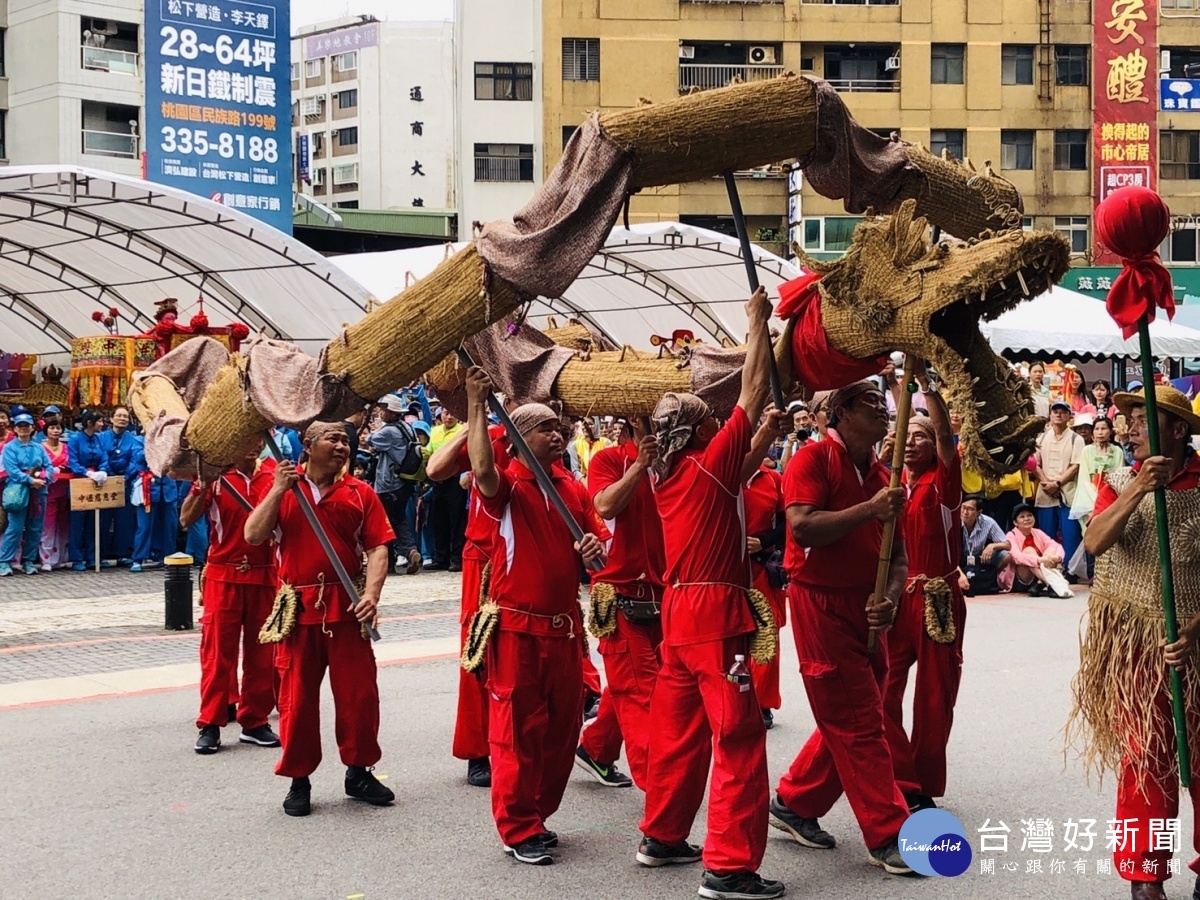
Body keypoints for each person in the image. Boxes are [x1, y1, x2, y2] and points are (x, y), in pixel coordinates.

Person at [638, 287, 785, 900]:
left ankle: (663, 835)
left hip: (679, 614)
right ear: (701, 430)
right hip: (714, 613)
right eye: (709, 417)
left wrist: (760, 437)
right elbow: (749, 392)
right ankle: (728, 866)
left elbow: (735, 469)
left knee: (677, 731)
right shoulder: (705, 463)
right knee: (739, 735)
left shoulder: (673, 474)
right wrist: (757, 324)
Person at [767, 380, 913, 877]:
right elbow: (803, 526)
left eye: (884, 403)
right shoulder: (812, 459)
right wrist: (870, 510)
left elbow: (898, 556)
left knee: (854, 710)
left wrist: (889, 597)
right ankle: (888, 833)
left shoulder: (888, 474)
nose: (884, 412)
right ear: (840, 413)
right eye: (872, 404)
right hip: (820, 603)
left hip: (865, 605)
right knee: (859, 720)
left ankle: (795, 801)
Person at [463, 378, 608, 866]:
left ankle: (538, 815)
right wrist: (476, 403)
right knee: (515, 733)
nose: (559, 434)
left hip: (565, 631)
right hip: (516, 631)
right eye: (546, 428)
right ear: (520, 436)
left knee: (563, 731)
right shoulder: (506, 486)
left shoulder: (574, 487)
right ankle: (517, 826)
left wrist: (594, 550)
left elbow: (602, 549)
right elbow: (481, 467)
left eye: (560, 428)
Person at [1070, 384, 1200, 900]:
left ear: (1177, 430)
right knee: (1147, 757)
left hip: (1194, 641)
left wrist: (1194, 629)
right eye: (1130, 421)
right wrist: (1138, 490)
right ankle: (1145, 876)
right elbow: (1095, 541)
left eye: (1145, 421)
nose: (1132, 429)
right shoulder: (1119, 478)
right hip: (1137, 644)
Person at [244, 421, 395, 817]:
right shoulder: (284, 490)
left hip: (348, 608)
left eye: (346, 440)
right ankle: (299, 779)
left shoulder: (360, 493)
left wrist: (371, 595)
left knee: (360, 697)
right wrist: (277, 488)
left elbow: (378, 547)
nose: (343, 447)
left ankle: (359, 772)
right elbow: (254, 535)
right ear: (308, 447)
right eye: (334, 439)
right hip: (297, 612)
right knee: (297, 701)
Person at [882, 363, 964, 812]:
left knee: (934, 699)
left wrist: (927, 391)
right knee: (883, 688)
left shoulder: (944, 483)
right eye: (904, 435)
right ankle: (899, 775)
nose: (910, 442)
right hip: (898, 598)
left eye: (921, 436)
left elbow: (947, 438)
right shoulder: (893, 482)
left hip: (938, 599)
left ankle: (923, 786)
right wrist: (898, 387)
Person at [574, 419, 663, 790]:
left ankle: (596, 748)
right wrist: (641, 464)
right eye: (652, 423)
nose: (662, 431)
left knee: (632, 685)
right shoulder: (608, 460)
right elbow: (606, 505)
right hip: (619, 594)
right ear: (631, 428)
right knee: (643, 694)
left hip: (664, 595)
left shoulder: (673, 462)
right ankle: (660, 799)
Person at [179, 439, 279, 755]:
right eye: (243, 438)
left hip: (265, 573)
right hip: (223, 574)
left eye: (257, 437)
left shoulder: (277, 473)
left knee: (263, 653)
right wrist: (204, 483)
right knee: (217, 652)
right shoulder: (216, 474)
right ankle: (210, 722)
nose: (251, 445)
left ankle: (255, 720)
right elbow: (185, 519)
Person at [744, 438, 788, 731]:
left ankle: (761, 702)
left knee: (766, 634)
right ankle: (735, 697)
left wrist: (763, 541)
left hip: (761, 565)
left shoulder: (773, 480)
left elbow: (788, 523)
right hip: (723, 569)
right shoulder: (722, 477)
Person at [369, 395, 424, 576]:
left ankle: (390, 561)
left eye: (384, 410)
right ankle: (410, 551)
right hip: (405, 481)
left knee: (384, 522)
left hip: (389, 483)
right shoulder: (408, 427)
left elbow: (371, 440)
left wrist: (375, 430)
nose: (381, 413)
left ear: (392, 412)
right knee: (398, 519)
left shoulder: (389, 431)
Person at [0, 413, 54, 576]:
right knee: (15, 528)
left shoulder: (39, 447)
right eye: (20, 426)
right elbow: (12, 471)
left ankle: (29, 560)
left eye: (27, 426)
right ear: (15, 428)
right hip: (18, 492)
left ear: (32, 428)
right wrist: (31, 480)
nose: (23, 429)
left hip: (39, 492)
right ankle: (4, 561)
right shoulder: (9, 448)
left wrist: (46, 477)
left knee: (35, 527)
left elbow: (49, 465)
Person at [1034, 400, 1085, 574]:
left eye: (1063, 412)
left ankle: (1070, 570)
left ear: (1069, 416)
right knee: (1046, 534)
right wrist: (1046, 483)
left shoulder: (1076, 439)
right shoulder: (1041, 437)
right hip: (1045, 491)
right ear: (1050, 414)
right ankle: (1047, 569)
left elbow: (1076, 465)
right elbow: (1034, 463)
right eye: (1055, 411)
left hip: (1067, 492)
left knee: (1070, 534)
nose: (1058, 414)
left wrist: (1057, 483)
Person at [127, 436, 180, 571]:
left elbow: (175, 457)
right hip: (148, 487)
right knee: (144, 526)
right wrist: (153, 444)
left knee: (170, 526)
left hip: (168, 487)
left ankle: (168, 557)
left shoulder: (169, 438)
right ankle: (138, 559)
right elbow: (138, 458)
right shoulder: (139, 440)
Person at [997, 503, 1071, 597]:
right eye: (1022, 517)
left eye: (1029, 515)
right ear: (1015, 522)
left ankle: (1041, 583)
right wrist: (1041, 560)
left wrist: (1058, 557)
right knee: (1029, 551)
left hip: (1036, 576)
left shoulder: (1038, 532)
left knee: (1051, 549)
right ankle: (1050, 584)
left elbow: (1056, 546)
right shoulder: (1011, 536)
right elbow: (1017, 557)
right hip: (1019, 579)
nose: (1026, 519)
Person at [66, 411, 109, 570]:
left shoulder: (99, 438)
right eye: (100, 421)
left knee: (95, 521)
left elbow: (104, 458)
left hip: (97, 484)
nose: (102, 424)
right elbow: (73, 462)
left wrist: (103, 470)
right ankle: (77, 558)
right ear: (90, 422)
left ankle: (93, 556)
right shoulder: (75, 439)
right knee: (77, 523)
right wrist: (88, 473)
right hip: (80, 482)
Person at [97, 406, 137, 566]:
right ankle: (103, 554)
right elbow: (101, 457)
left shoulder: (132, 439)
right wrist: (108, 474)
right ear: (111, 419)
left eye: (125, 417)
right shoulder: (101, 437)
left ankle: (123, 554)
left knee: (124, 520)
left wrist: (126, 476)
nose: (122, 419)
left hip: (124, 483)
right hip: (106, 482)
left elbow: (135, 460)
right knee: (103, 520)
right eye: (119, 416)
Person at [427, 409, 466, 572]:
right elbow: (429, 453)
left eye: (452, 413)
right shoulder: (434, 432)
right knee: (439, 519)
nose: (449, 417)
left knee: (456, 521)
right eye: (445, 413)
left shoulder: (462, 431)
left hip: (455, 480)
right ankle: (440, 558)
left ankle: (456, 558)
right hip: (437, 482)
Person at [957, 496, 1010, 597]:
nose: (965, 512)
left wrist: (992, 546)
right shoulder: (955, 521)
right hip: (958, 557)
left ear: (979, 512)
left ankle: (988, 578)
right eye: (963, 507)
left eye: (970, 509)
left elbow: (1007, 544)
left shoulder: (988, 522)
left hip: (979, 557)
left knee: (1006, 556)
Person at [39, 421, 71, 571]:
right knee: (48, 525)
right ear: (46, 430)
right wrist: (50, 473)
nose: (55, 431)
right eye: (52, 428)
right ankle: (46, 558)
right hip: (47, 490)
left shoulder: (66, 447)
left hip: (64, 490)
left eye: (58, 428)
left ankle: (61, 557)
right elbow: (35, 468)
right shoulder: (40, 448)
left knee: (62, 524)